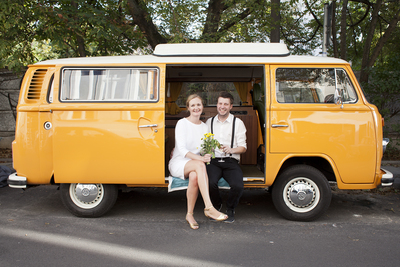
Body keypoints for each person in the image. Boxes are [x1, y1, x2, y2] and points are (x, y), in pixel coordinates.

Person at [168, 94, 228, 230]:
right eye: (193, 105)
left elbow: (203, 149)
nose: (196, 108)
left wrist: (207, 154)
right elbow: (182, 150)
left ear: (202, 107)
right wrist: (201, 159)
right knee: (200, 165)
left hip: (194, 163)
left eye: (199, 105)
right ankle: (209, 207)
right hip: (179, 162)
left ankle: (189, 214)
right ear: (188, 107)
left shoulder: (204, 126)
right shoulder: (182, 123)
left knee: (195, 176)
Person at [206, 92, 247, 223]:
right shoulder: (209, 122)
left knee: (238, 185)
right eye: (220, 103)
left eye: (225, 104)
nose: (222, 106)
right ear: (217, 105)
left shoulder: (238, 123)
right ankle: (216, 206)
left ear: (231, 106)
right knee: (210, 182)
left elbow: (243, 147)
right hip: (214, 161)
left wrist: (232, 149)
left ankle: (230, 208)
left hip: (231, 161)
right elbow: (203, 144)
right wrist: (208, 149)